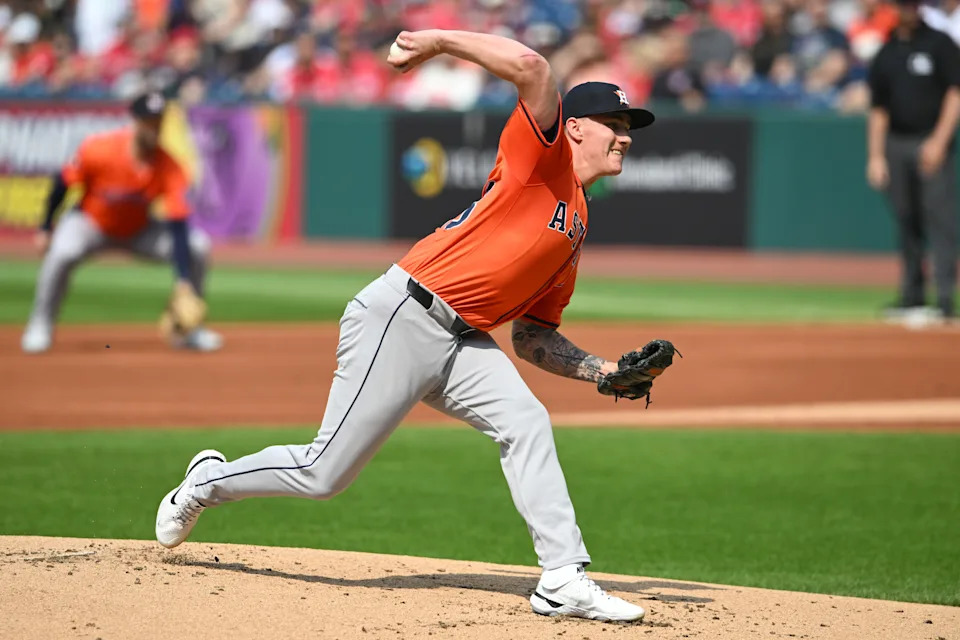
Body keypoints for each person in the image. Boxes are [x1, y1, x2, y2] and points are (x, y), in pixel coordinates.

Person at [155, 29, 660, 622]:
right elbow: (531, 66)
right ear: (574, 127)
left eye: (629, 125)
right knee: (324, 474)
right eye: (613, 121)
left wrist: (603, 372)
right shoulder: (541, 159)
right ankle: (206, 481)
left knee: (526, 421)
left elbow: (532, 337)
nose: (625, 134)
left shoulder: (576, 221)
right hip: (404, 314)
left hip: (461, 337)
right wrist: (439, 41)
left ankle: (562, 579)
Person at [21, 91, 223, 353]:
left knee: (199, 247)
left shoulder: (169, 165)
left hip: (138, 230)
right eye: (149, 120)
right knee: (62, 253)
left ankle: (188, 330)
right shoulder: (100, 149)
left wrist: (182, 279)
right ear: (135, 121)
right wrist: (46, 227)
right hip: (91, 223)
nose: (155, 127)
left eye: (159, 121)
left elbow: (178, 222)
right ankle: (40, 325)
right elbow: (62, 182)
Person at [867, 0, 960, 321]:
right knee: (906, 219)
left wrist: (939, 141)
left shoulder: (939, 43)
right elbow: (878, 108)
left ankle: (945, 297)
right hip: (897, 142)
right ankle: (912, 294)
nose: (906, 10)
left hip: (930, 140)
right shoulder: (887, 50)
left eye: (911, 4)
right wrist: (876, 155)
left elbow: (955, 92)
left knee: (940, 220)